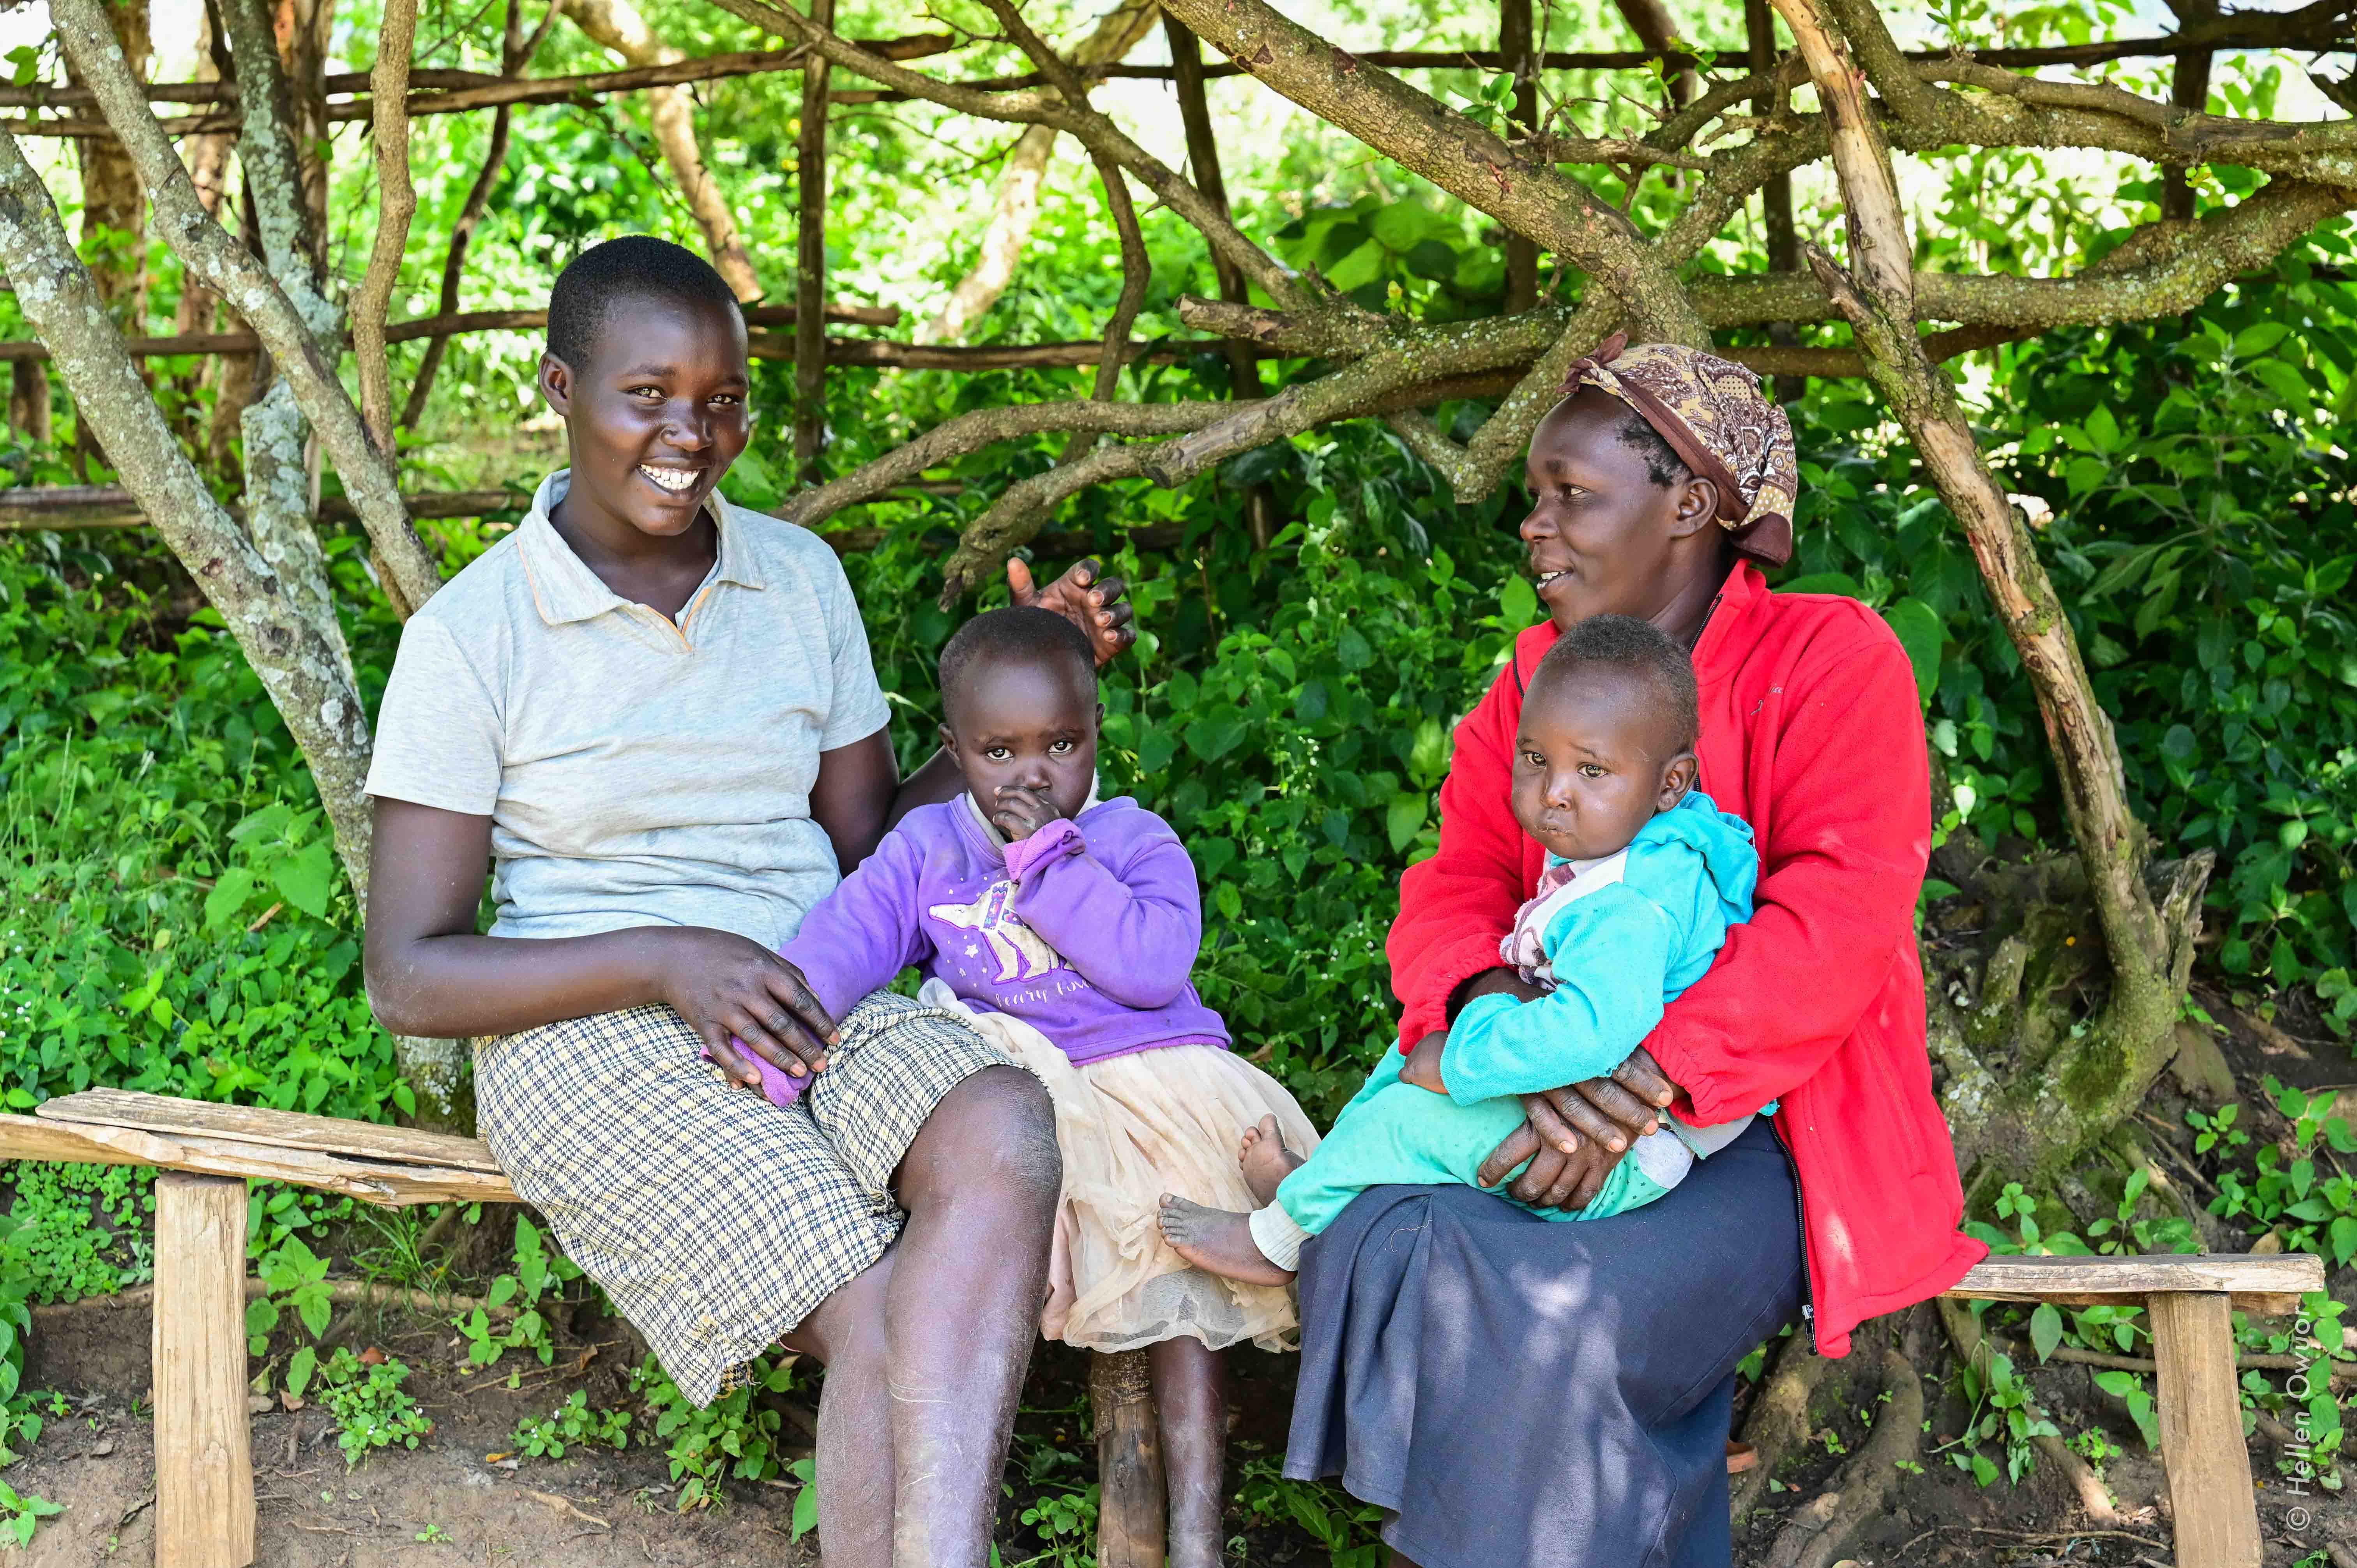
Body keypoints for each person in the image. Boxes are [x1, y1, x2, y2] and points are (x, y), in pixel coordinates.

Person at [359, 236, 1135, 1568]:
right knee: (886, 1303)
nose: (689, 433)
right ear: (560, 386)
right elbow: (410, 976)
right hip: (585, 1030)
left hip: (807, 984)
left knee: (1000, 1128)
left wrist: (1019, 708)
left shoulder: (796, 580)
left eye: (720, 400)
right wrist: (669, 957)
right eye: (646, 394)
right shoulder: (469, 637)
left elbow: (868, 849)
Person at [1281, 335, 1986, 1568]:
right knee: (1390, 1236)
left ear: (1693, 506)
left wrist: (1640, 1073)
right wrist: (1504, 1015)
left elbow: (1842, 919)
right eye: (1535, 499)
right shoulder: (1537, 684)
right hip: (1548, 1089)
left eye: (1572, 495)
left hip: (1764, 1139)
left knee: (1552, 1311)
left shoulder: (1831, 659)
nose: (1536, 529)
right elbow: (1453, 886)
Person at [766, 604, 1320, 1568]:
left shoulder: (1131, 836)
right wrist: (773, 1035)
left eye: (1063, 743)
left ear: (1099, 730)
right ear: (954, 750)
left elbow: (1150, 966)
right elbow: (846, 941)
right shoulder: (929, 847)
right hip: (1034, 1092)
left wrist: (1047, 866)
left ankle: (1198, 1529)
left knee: (1189, 1291)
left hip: (1160, 1085)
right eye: (1000, 751)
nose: (1034, 774)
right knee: (1016, 1179)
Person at [1159, 615, 1759, 1284]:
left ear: (1671, 783)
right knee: (1409, 1057)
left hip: (1608, 1159)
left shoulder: (1631, 906)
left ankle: (1274, 1246)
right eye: (1536, 759)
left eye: (1592, 770)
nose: (1555, 794)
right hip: (1573, 1091)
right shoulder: (1624, 839)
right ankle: (1319, 1190)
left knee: (1411, 1116)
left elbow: (1593, 1035)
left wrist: (1463, 1059)